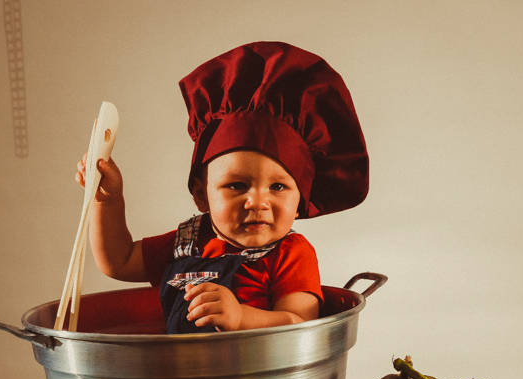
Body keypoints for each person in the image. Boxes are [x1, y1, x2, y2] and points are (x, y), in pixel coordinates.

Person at [78, 42, 369, 334]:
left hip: (261, 377)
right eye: (237, 186)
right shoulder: (187, 243)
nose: (257, 201)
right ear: (201, 195)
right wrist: (107, 201)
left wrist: (242, 318)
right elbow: (119, 261)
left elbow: (300, 324)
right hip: (180, 376)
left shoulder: (291, 254)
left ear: (301, 200)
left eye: (278, 186)